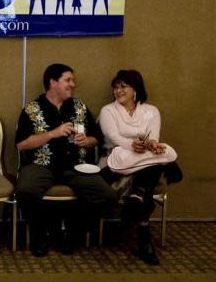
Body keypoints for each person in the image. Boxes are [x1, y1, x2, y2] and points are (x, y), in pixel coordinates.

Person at [15, 63, 118, 257]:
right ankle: (39, 237)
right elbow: (21, 144)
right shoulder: (31, 109)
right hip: (41, 165)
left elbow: (97, 138)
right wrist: (52, 133)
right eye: (67, 80)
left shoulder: (80, 107)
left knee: (107, 196)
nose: (73, 84)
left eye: (72, 80)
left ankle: (72, 235)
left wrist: (87, 141)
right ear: (53, 82)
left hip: (76, 166)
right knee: (24, 191)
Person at [99, 69, 181, 266]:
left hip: (144, 159)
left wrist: (152, 144)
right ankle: (145, 242)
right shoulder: (108, 111)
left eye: (123, 86)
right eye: (116, 87)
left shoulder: (151, 111)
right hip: (115, 158)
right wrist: (131, 145)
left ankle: (137, 196)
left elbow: (153, 137)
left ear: (135, 88)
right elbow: (114, 138)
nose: (118, 91)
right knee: (152, 166)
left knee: (162, 153)